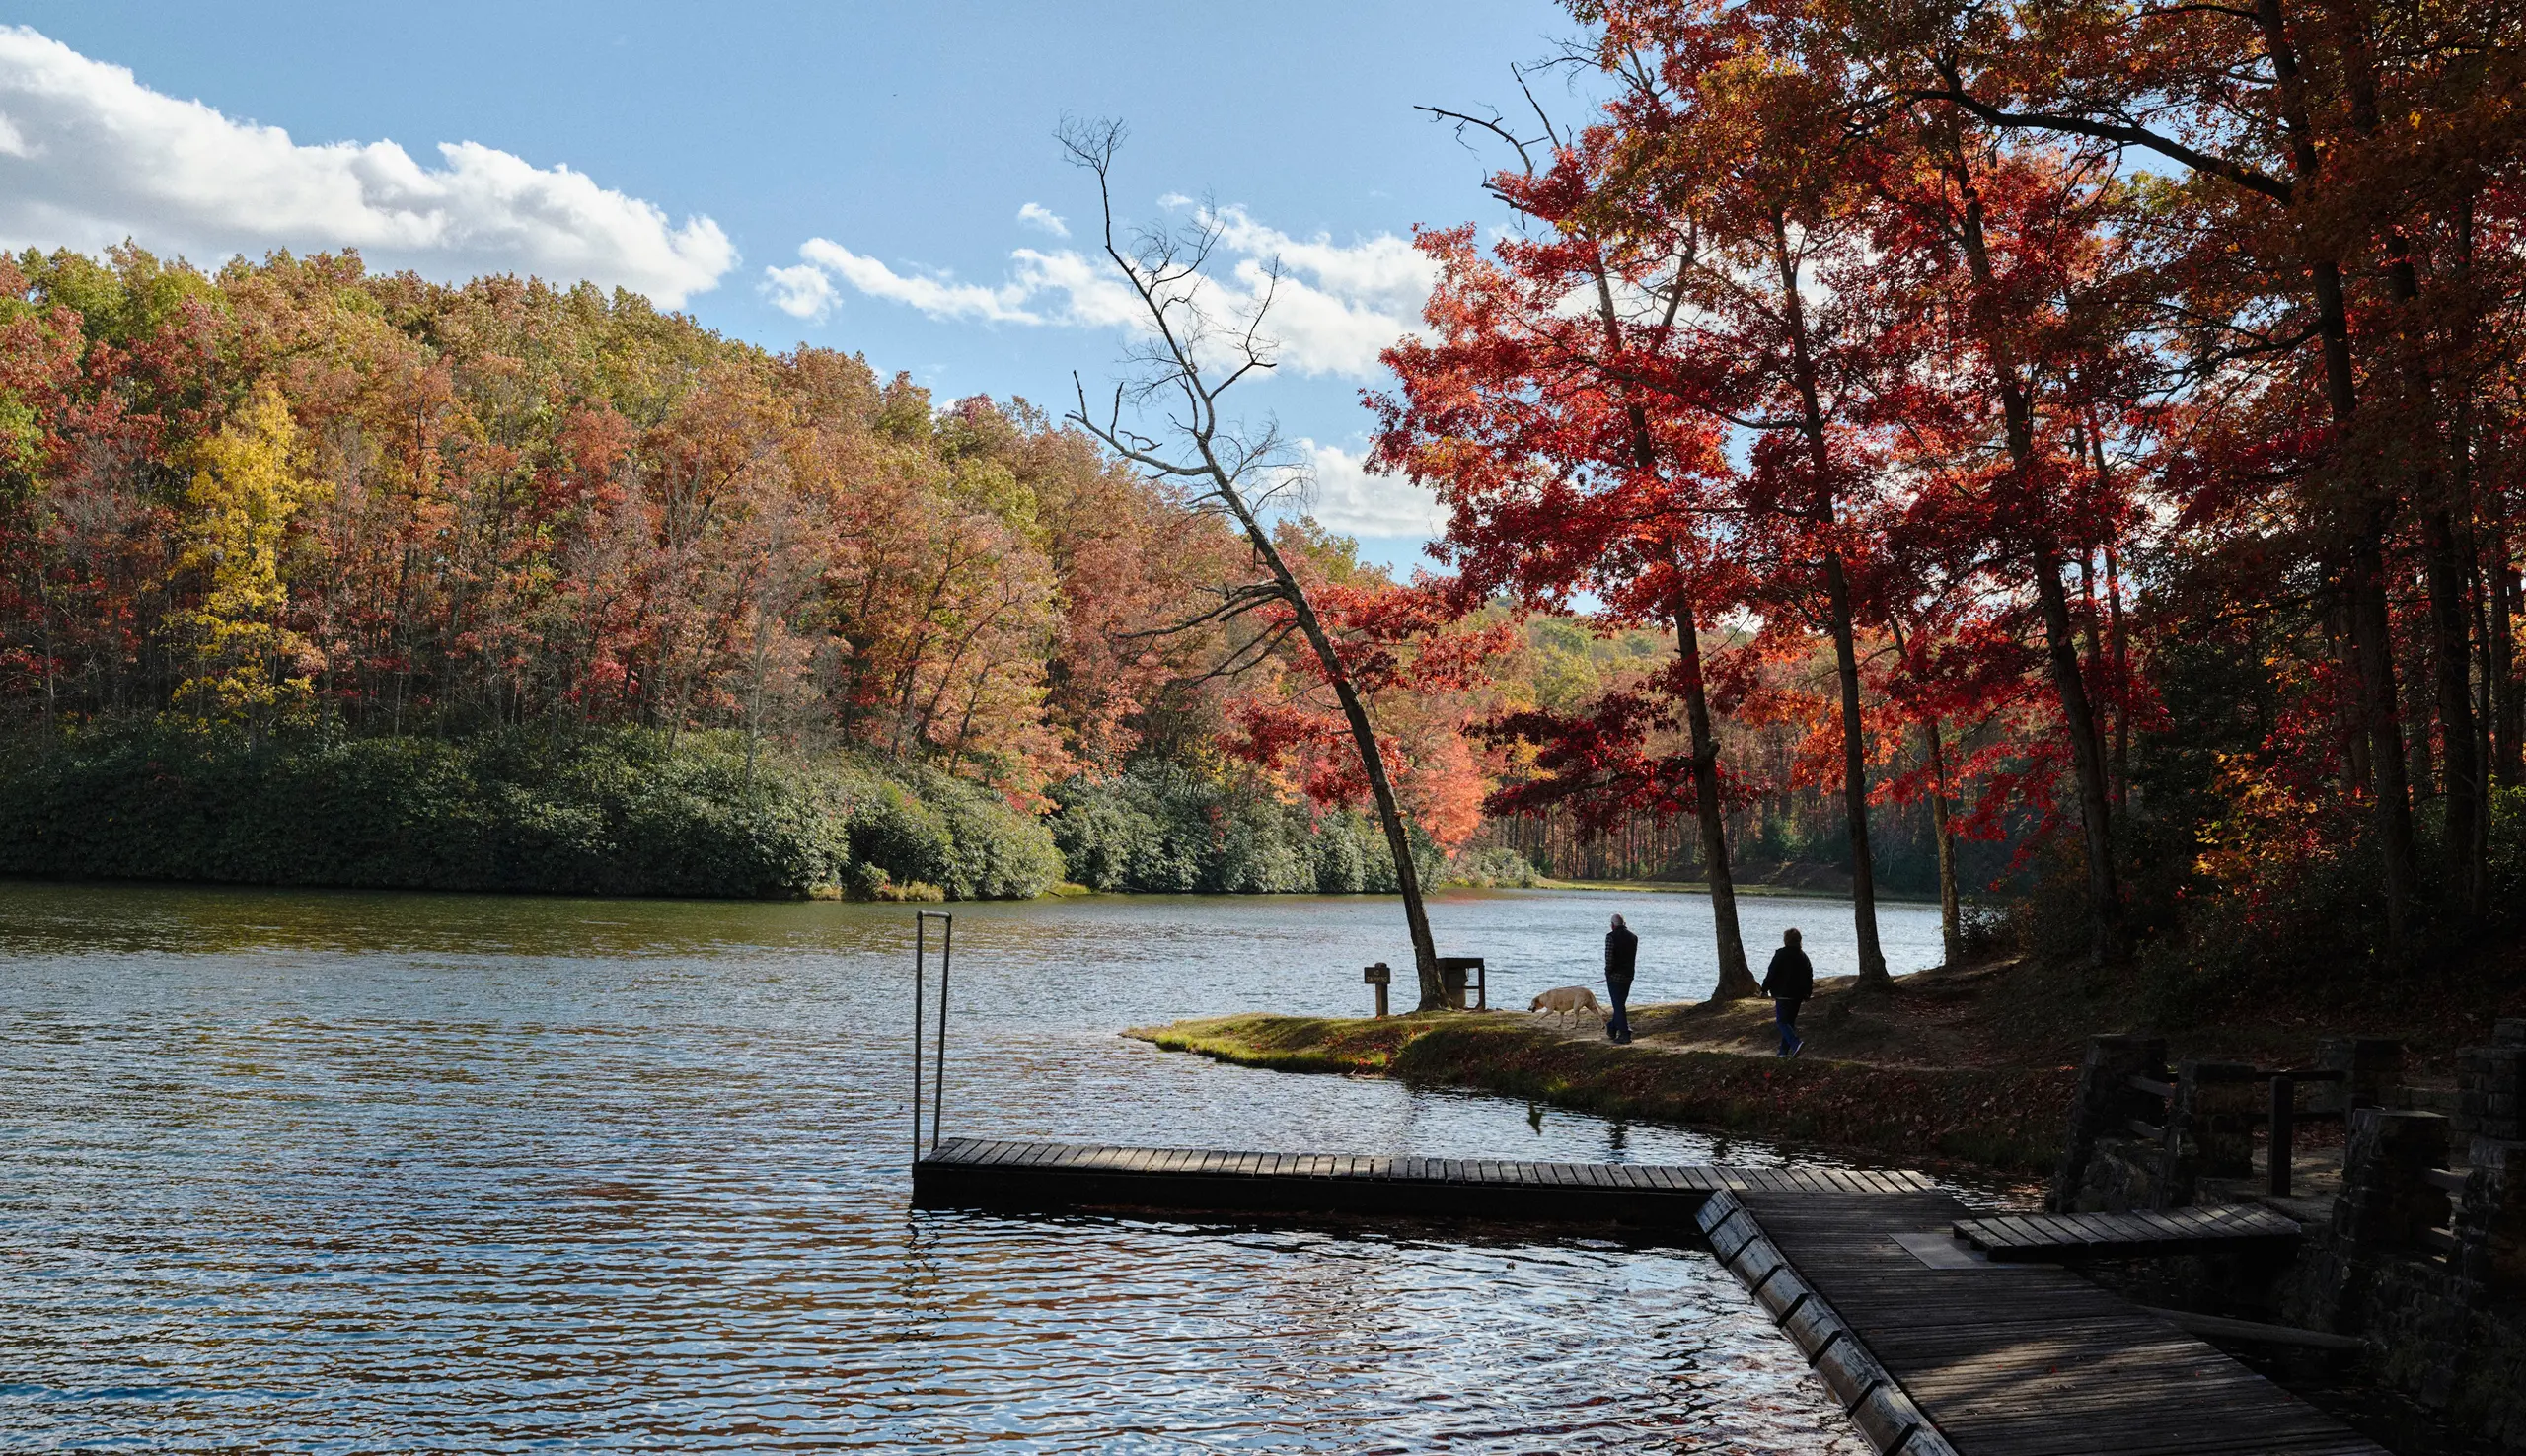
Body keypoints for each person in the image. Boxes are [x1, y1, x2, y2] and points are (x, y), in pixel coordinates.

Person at [1760, 928, 1813, 1057]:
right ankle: (1783, 1053)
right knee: (1789, 1023)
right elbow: (1808, 975)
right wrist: (1807, 992)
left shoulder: (1780, 955)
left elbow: (1771, 972)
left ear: (1786, 940)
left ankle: (1795, 1043)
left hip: (1783, 994)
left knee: (1782, 1021)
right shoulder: (1803, 956)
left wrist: (1764, 989)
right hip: (1798, 995)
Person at [1603, 913, 1637, 1044]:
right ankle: (1612, 1027)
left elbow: (1609, 958)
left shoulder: (1611, 937)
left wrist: (1608, 973)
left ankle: (1625, 1033)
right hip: (1628, 975)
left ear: (1612, 925)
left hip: (1615, 976)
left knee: (1618, 1005)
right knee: (1619, 1003)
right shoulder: (1633, 937)